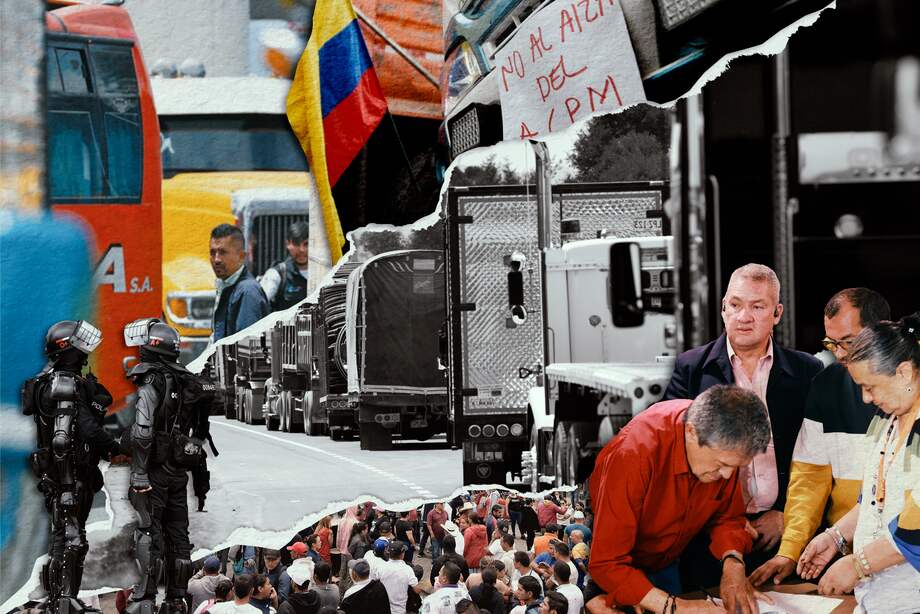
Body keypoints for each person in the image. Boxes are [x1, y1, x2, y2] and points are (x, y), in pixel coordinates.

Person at [664, 264, 823, 581]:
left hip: (783, 536)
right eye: (735, 305)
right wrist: (723, 524)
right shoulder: (691, 369)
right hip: (709, 539)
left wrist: (786, 515)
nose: (744, 316)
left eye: (757, 306)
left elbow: (820, 457)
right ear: (723, 309)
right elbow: (674, 455)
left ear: (776, 313)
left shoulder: (808, 371)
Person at [588, 386, 773, 614]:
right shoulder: (633, 453)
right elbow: (606, 562)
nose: (726, 476)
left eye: (735, 468)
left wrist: (733, 564)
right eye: (722, 465)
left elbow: (728, 517)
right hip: (617, 570)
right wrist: (676, 607)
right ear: (691, 432)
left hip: (668, 561)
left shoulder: (724, 447)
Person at [750, 288, 891, 586]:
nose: (839, 354)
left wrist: (852, 553)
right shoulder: (826, 386)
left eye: (848, 342)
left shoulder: (906, 403)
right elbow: (809, 480)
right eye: (831, 343)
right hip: (846, 553)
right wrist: (790, 550)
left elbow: (903, 504)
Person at [797, 313, 920, 613]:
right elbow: (875, 498)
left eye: (870, 386)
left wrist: (857, 564)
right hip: (877, 600)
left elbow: (916, 526)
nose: (865, 398)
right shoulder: (886, 419)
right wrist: (836, 536)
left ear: (903, 373)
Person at [22, 320, 119, 614]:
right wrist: (115, 448)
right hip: (69, 476)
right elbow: (73, 436)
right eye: (78, 344)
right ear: (68, 350)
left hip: (59, 475)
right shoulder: (65, 384)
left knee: (62, 538)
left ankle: (60, 600)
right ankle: (65, 600)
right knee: (73, 540)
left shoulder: (47, 381)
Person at [123, 319, 215, 614]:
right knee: (179, 536)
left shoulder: (151, 380)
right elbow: (201, 432)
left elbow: (143, 429)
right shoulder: (189, 379)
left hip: (153, 470)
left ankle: (146, 596)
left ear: (153, 348)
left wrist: (138, 473)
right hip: (179, 470)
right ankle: (176, 599)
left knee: (149, 532)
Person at [209, 224, 269, 342]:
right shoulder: (226, 285)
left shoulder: (248, 292)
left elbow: (246, 349)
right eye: (212, 252)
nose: (216, 259)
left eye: (222, 252)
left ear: (241, 256)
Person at [260, 221, 309, 312]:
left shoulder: (326, 272)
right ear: (287, 244)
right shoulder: (277, 274)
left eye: (306, 244)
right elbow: (258, 305)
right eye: (296, 244)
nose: (302, 250)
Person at [375, 541, 423, 614]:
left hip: (384, 608)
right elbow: (417, 590)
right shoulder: (407, 569)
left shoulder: (380, 567)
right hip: (400, 610)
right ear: (402, 554)